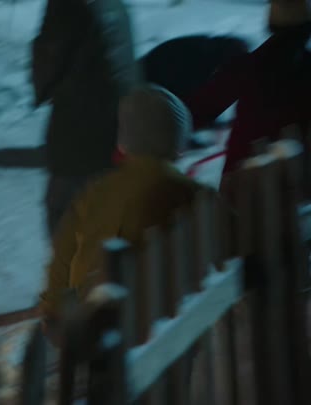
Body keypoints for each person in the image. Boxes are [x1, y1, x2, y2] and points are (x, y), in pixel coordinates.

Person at [39, 85, 207, 344]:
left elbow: (63, 256)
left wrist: (52, 310)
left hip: (94, 316)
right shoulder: (190, 193)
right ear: (178, 141)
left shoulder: (94, 192)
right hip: (162, 321)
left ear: (123, 141)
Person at [31, 0, 141, 238]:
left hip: (78, 126)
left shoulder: (67, 6)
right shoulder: (114, 5)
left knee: (63, 212)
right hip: (121, 124)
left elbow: (48, 58)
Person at [185, 0, 311, 179]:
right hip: (298, 181)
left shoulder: (248, 66)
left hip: (242, 179)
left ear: (271, 25)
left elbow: (197, 111)